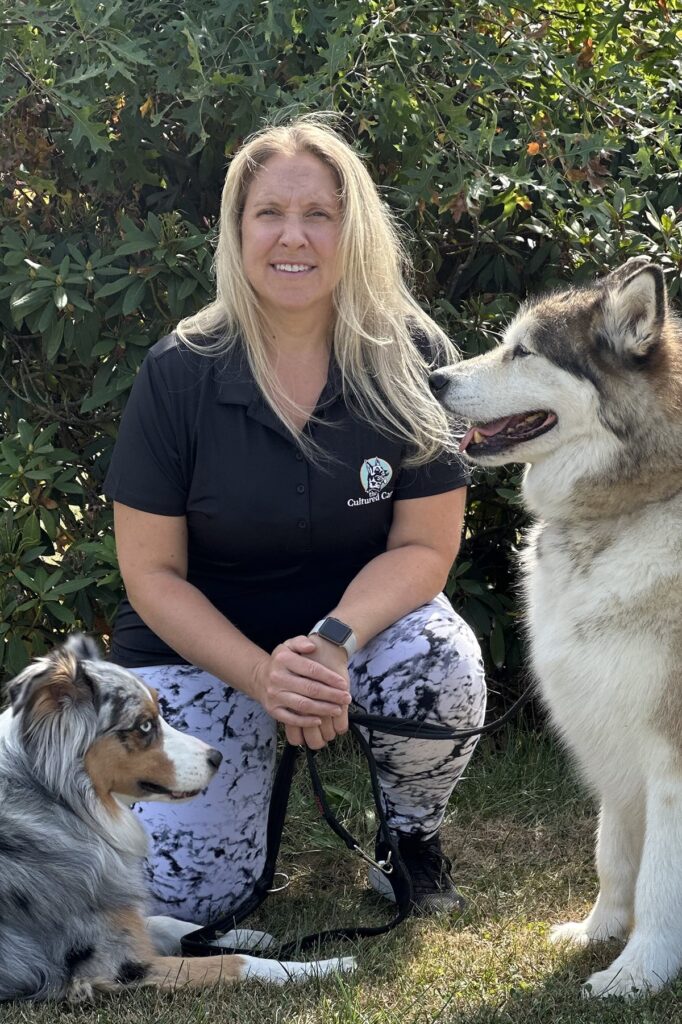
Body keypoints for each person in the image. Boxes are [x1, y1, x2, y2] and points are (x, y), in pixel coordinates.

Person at [104, 115, 486, 925]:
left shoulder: (410, 353)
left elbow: (425, 546)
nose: (294, 236)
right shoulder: (178, 371)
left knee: (441, 663)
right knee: (196, 904)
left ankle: (409, 842)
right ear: (237, 230)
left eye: (319, 214)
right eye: (269, 213)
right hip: (204, 653)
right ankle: (250, 791)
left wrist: (331, 646)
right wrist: (261, 677)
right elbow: (150, 574)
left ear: (355, 230)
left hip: (353, 635)